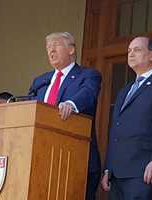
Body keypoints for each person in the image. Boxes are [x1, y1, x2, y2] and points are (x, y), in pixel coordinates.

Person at [28, 32, 102, 199]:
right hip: (40, 158)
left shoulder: (88, 75)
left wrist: (71, 104)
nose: (51, 51)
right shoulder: (41, 81)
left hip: (74, 159)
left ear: (71, 49)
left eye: (56, 45)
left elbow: (88, 94)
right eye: (48, 47)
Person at [101, 37, 152, 200]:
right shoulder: (124, 91)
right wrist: (108, 169)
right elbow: (115, 131)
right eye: (129, 51)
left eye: (137, 50)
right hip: (118, 173)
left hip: (144, 169)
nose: (131, 54)